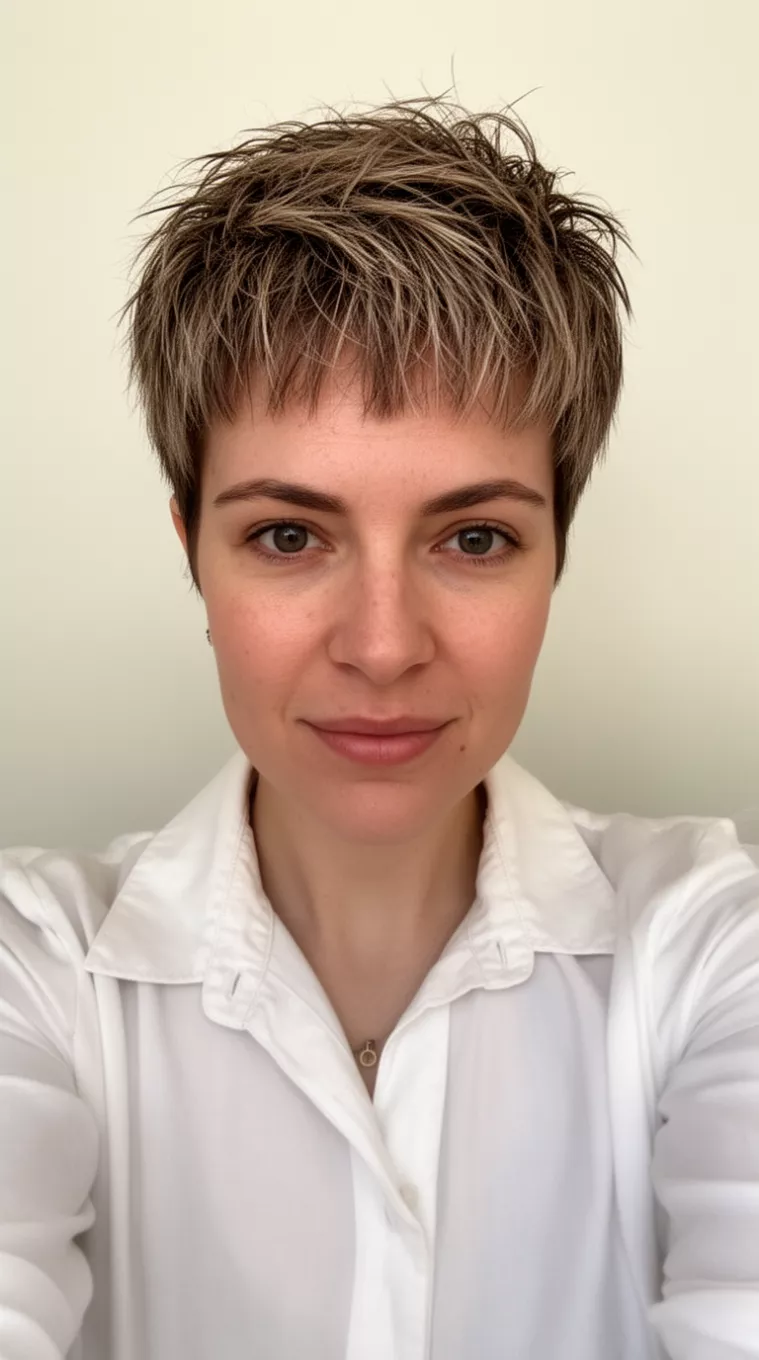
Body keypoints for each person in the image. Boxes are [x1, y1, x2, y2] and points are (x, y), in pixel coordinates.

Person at [1, 94, 758, 1360]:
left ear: (556, 554)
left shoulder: (709, 949)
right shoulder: (38, 973)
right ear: (195, 554)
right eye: (288, 535)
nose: (385, 642)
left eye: (475, 537)